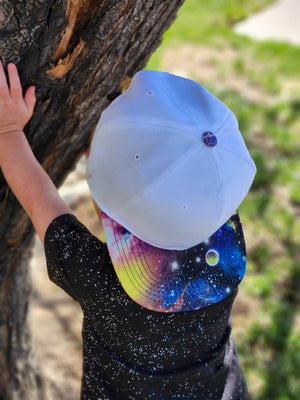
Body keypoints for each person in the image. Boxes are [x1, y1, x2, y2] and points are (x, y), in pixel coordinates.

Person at [0, 61, 256, 399]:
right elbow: (127, 210)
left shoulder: (96, 278)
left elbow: (38, 197)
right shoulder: (224, 248)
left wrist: (7, 129)